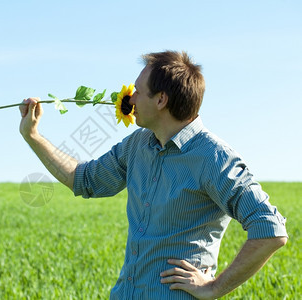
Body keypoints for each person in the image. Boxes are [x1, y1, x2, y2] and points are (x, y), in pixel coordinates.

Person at [18, 50, 288, 299]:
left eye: (137, 91)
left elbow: (270, 229)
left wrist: (214, 288)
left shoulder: (213, 157)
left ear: (161, 100)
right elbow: (84, 179)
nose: (130, 98)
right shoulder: (137, 145)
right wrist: (33, 137)